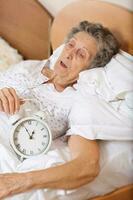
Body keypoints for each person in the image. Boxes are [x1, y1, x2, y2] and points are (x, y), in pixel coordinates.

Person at [0, 21, 120, 199]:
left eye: (81, 54)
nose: (70, 53)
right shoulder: (29, 67)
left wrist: (17, 181)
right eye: (71, 45)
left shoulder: (78, 103)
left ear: (91, 69)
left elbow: (86, 166)